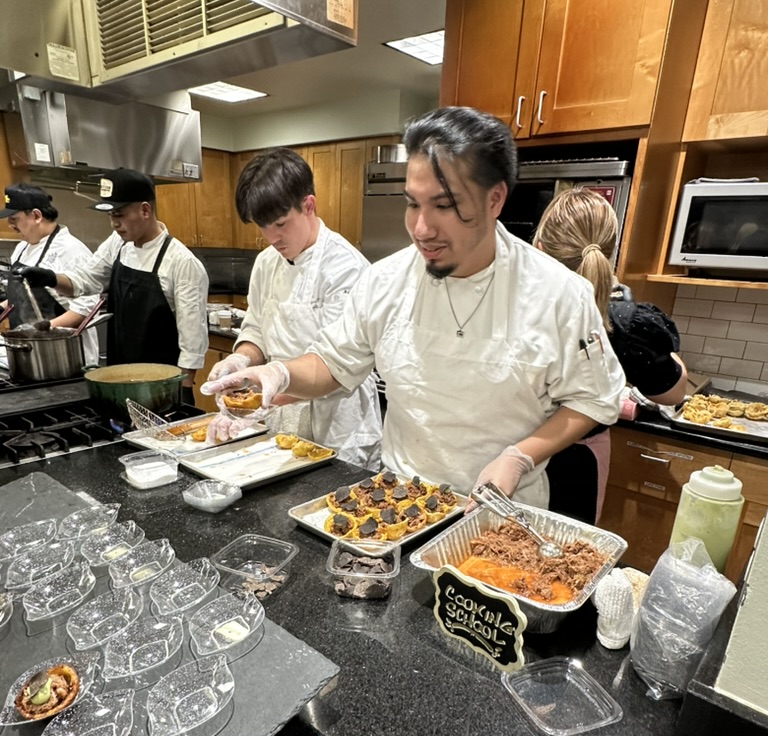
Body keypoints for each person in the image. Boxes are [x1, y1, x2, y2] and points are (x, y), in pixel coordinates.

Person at [202, 106, 626, 503]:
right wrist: (274, 373)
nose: (421, 228)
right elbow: (331, 365)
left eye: (445, 205)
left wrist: (520, 456)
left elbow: (591, 400)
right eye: (412, 203)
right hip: (401, 498)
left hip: (502, 511)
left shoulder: (559, 294)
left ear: (495, 199)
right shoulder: (385, 281)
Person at [206, 148, 382, 467]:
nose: (272, 238)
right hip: (280, 417)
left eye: (280, 224)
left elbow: (334, 366)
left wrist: (269, 387)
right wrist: (240, 359)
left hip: (338, 424)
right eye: (262, 227)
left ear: (308, 205)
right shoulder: (266, 262)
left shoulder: (346, 268)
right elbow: (257, 329)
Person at [534, 186, 688, 523]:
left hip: (509, 450)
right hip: (578, 461)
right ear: (610, 253)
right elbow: (673, 393)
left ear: (540, 248)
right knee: (566, 560)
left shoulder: (506, 305)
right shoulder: (624, 321)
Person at [9, 169, 208, 404]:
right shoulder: (119, 244)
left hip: (162, 385)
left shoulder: (182, 263)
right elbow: (86, 280)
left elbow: (192, 339)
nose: (114, 223)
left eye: (120, 214)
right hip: (120, 374)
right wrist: (50, 278)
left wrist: (182, 390)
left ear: (145, 210)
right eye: (110, 215)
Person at [1, 183, 100, 365]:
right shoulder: (23, 248)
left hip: (65, 354)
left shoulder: (70, 250)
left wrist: (39, 330)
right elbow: (25, 296)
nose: (9, 224)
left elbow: (87, 308)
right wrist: (3, 307)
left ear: (37, 216)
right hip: (31, 350)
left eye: (14, 219)